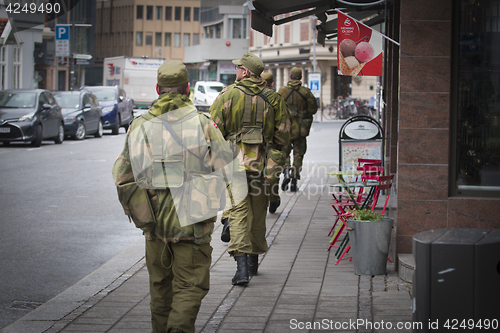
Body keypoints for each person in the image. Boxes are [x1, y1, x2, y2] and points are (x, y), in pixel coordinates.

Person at [112, 60, 233, 333]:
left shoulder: (139, 125)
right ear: (188, 89)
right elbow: (226, 168)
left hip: (154, 228)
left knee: (160, 291)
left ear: (157, 88)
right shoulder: (203, 124)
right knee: (190, 287)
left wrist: (145, 214)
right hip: (193, 224)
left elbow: (122, 175)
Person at [210, 53, 290, 285]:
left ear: (245, 72)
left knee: (238, 211)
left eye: (238, 68)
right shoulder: (274, 99)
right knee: (257, 212)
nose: (236, 71)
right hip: (263, 166)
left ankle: (242, 267)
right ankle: (254, 262)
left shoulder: (228, 95)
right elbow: (284, 136)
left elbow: (212, 132)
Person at [278, 67, 318, 192]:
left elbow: (276, 108)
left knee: (284, 152)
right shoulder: (306, 92)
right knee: (298, 154)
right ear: (301, 77)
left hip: (285, 129)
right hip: (300, 129)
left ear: (290, 76)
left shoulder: (282, 91)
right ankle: (294, 180)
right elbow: (313, 109)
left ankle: (286, 172)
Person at [261, 72, 289, 213]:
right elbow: (283, 129)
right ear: (272, 84)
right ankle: (273, 199)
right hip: (272, 144)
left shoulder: (249, 96)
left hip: (250, 147)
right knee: (272, 175)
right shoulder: (276, 99)